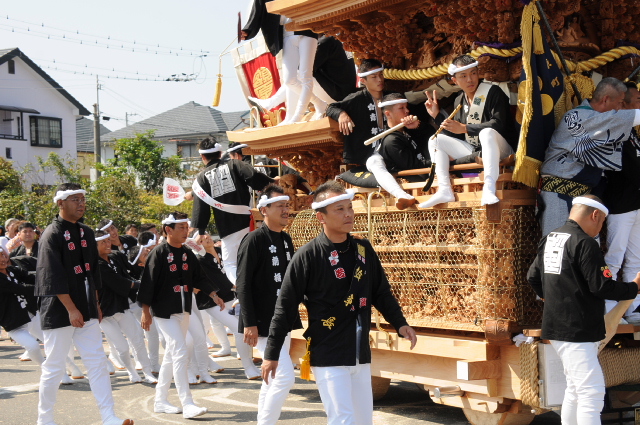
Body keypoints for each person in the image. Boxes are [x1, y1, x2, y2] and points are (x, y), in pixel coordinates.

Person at [262, 181, 417, 425]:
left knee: (364, 420)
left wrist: (400, 323)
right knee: (342, 419)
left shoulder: (363, 249)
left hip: (359, 351)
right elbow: (285, 307)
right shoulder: (307, 256)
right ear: (321, 217)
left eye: (349, 208)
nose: (348, 214)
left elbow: (381, 292)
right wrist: (271, 354)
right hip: (328, 352)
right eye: (340, 209)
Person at [528, 194, 640, 425]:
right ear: (595, 215)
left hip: (557, 327)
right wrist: (634, 287)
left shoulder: (551, 238)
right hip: (578, 329)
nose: (599, 229)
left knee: (575, 388)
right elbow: (602, 286)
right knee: (591, 392)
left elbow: (533, 277)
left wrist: (553, 298)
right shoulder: (585, 243)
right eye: (601, 223)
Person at [35, 183, 133, 425]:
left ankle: (108, 416)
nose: (81, 204)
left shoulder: (86, 232)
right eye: (75, 199)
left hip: (86, 307)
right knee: (54, 366)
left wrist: (95, 303)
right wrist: (71, 309)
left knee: (97, 362)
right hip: (60, 310)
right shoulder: (52, 234)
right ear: (60, 203)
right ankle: (44, 420)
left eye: (83, 199)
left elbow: (93, 272)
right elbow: (52, 276)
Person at [137, 212, 224, 419]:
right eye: (182, 228)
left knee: (171, 356)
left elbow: (198, 277)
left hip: (183, 309)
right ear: (168, 229)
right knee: (180, 351)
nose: (186, 231)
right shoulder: (158, 253)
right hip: (164, 312)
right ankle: (187, 403)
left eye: (187, 227)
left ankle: (160, 401)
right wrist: (145, 312)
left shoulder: (186, 253)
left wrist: (214, 294)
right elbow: (148, 283)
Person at [538, 77, 640, 236]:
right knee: (559, 245)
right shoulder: (577, 117)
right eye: (620, 102)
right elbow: (617, 121)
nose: (621, 108)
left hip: (584, 197)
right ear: (606, 99)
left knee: (586, 247)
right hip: (559, 194)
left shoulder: (596, 120)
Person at [236, 184, 297, 424]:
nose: (286, 210)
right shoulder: (253, 240)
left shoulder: (286, 239)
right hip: (262, 321)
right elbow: (242, 284)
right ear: (264, 210)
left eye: (287, 205)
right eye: (280, 205)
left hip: (283, 318)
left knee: (271, 378)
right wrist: (249, 323)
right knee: (284, 377)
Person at [421, 54, 516, 208]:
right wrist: (437, 116)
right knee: (435, 140)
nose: (470, 79)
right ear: (455, 80)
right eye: (463, 76)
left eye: (473, 73)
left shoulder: (493, 92)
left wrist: (465, 128)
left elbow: (499, 125)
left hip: (502, 149)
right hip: (476, 150)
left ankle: (489, 187)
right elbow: (457, 134)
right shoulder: (459, 100)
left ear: (478, 73)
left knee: (487, 133)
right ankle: (444, 189)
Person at [191, 137, 273, 284]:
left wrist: (201, 231)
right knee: (256, 256)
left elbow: (201, 207)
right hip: (248, 222)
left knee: (230, 263)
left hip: (227, 227)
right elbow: (254, 176)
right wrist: (272, 185)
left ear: (203, 156)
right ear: (220, 153)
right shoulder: (235, 164)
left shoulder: (201, 178)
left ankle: (242, 289)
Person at [326, 59, 431, 168]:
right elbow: (331, 108)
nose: (380, 79)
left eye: (381, 74)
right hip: (368, 156)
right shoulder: (356, 99)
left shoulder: (391, 96)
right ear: (363, 80)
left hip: (394, 149)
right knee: (375, 163)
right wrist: (341, 114)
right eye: (374, 77)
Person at [194, 233, 261, 379]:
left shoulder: (221, 252)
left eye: (206, 236)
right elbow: (206, 280)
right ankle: (248, 367)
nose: (207, 238)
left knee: (243, 327)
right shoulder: (200, 259)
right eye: (202, 239)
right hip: (212, 300)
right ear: (198, 244)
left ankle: (247, 362)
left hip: (231, 295)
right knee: (239, 330)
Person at [242, 0, 319, 125]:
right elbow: (259, 7)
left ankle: (297, 116)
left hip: (307, 29)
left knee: (305, 76)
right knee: (289, 80)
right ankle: (319, 103)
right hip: (287, 33)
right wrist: (248, 30)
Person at [95, 230, 157, 384]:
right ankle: (131, 371)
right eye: (103, 242)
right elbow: (119, 282)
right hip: (105, 312)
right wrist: (141, 284)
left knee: (137, 339)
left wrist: (139, 282)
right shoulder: (96, 265)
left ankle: (147, 372)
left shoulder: (115, 257)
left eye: (108, 241)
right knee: (122, 347)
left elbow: (126, 275)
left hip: (122, 307)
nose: (108, 244)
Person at [248, 35, 357, 120]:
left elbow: (303, 70)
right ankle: (274, 106)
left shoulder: (326, 41)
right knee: (298, 75)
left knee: (296, 76)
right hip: (341, 91)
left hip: (337, 94)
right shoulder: (336, 39)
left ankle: (286, 113)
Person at [602, 82, 640, 321]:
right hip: (620, 204)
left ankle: (633, 306)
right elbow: (626, 168)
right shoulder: (616, 129)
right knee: (614, 258)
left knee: (635, 259)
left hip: (636, 202)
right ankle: (608, 305)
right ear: (624, 104)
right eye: (638, 100)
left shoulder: (633, 133)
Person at [368, 93, 431, 210]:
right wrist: (437, 162)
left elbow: (433, 137)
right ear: (388, 114)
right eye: (401, 108)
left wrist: (419, 126)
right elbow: (413, 167)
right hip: (419, 186)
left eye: (406, 107)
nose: (407, 111)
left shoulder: (409, 129)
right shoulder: (391, 141)